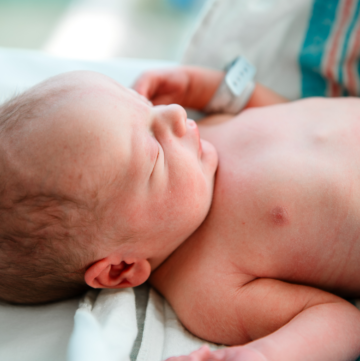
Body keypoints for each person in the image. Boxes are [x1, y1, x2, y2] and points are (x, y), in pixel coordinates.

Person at [0, 68, 360, 361]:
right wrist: (263, 354)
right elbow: (342, 323)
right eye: (155, 152)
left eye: (143, 104)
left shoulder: (205, 136)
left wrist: (207, 87)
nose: (175, 113)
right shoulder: (206, 286)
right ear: (120, 269)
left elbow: (285, 111)